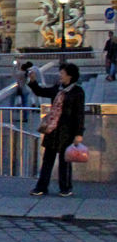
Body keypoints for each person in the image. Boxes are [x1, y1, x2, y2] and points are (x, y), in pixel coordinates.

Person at [28, 63, 85, 197]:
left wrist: (79, 134)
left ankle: (65, 187)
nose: (60, 75)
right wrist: (33, 81)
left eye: (62, 73)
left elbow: (79, 114)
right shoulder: (57, 89)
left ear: (70, 76)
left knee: (65, 161)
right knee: (48, 159)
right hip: (53, 130)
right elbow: (41, 91)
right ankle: (41, 187)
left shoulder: (77, 92)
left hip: (67, 131)